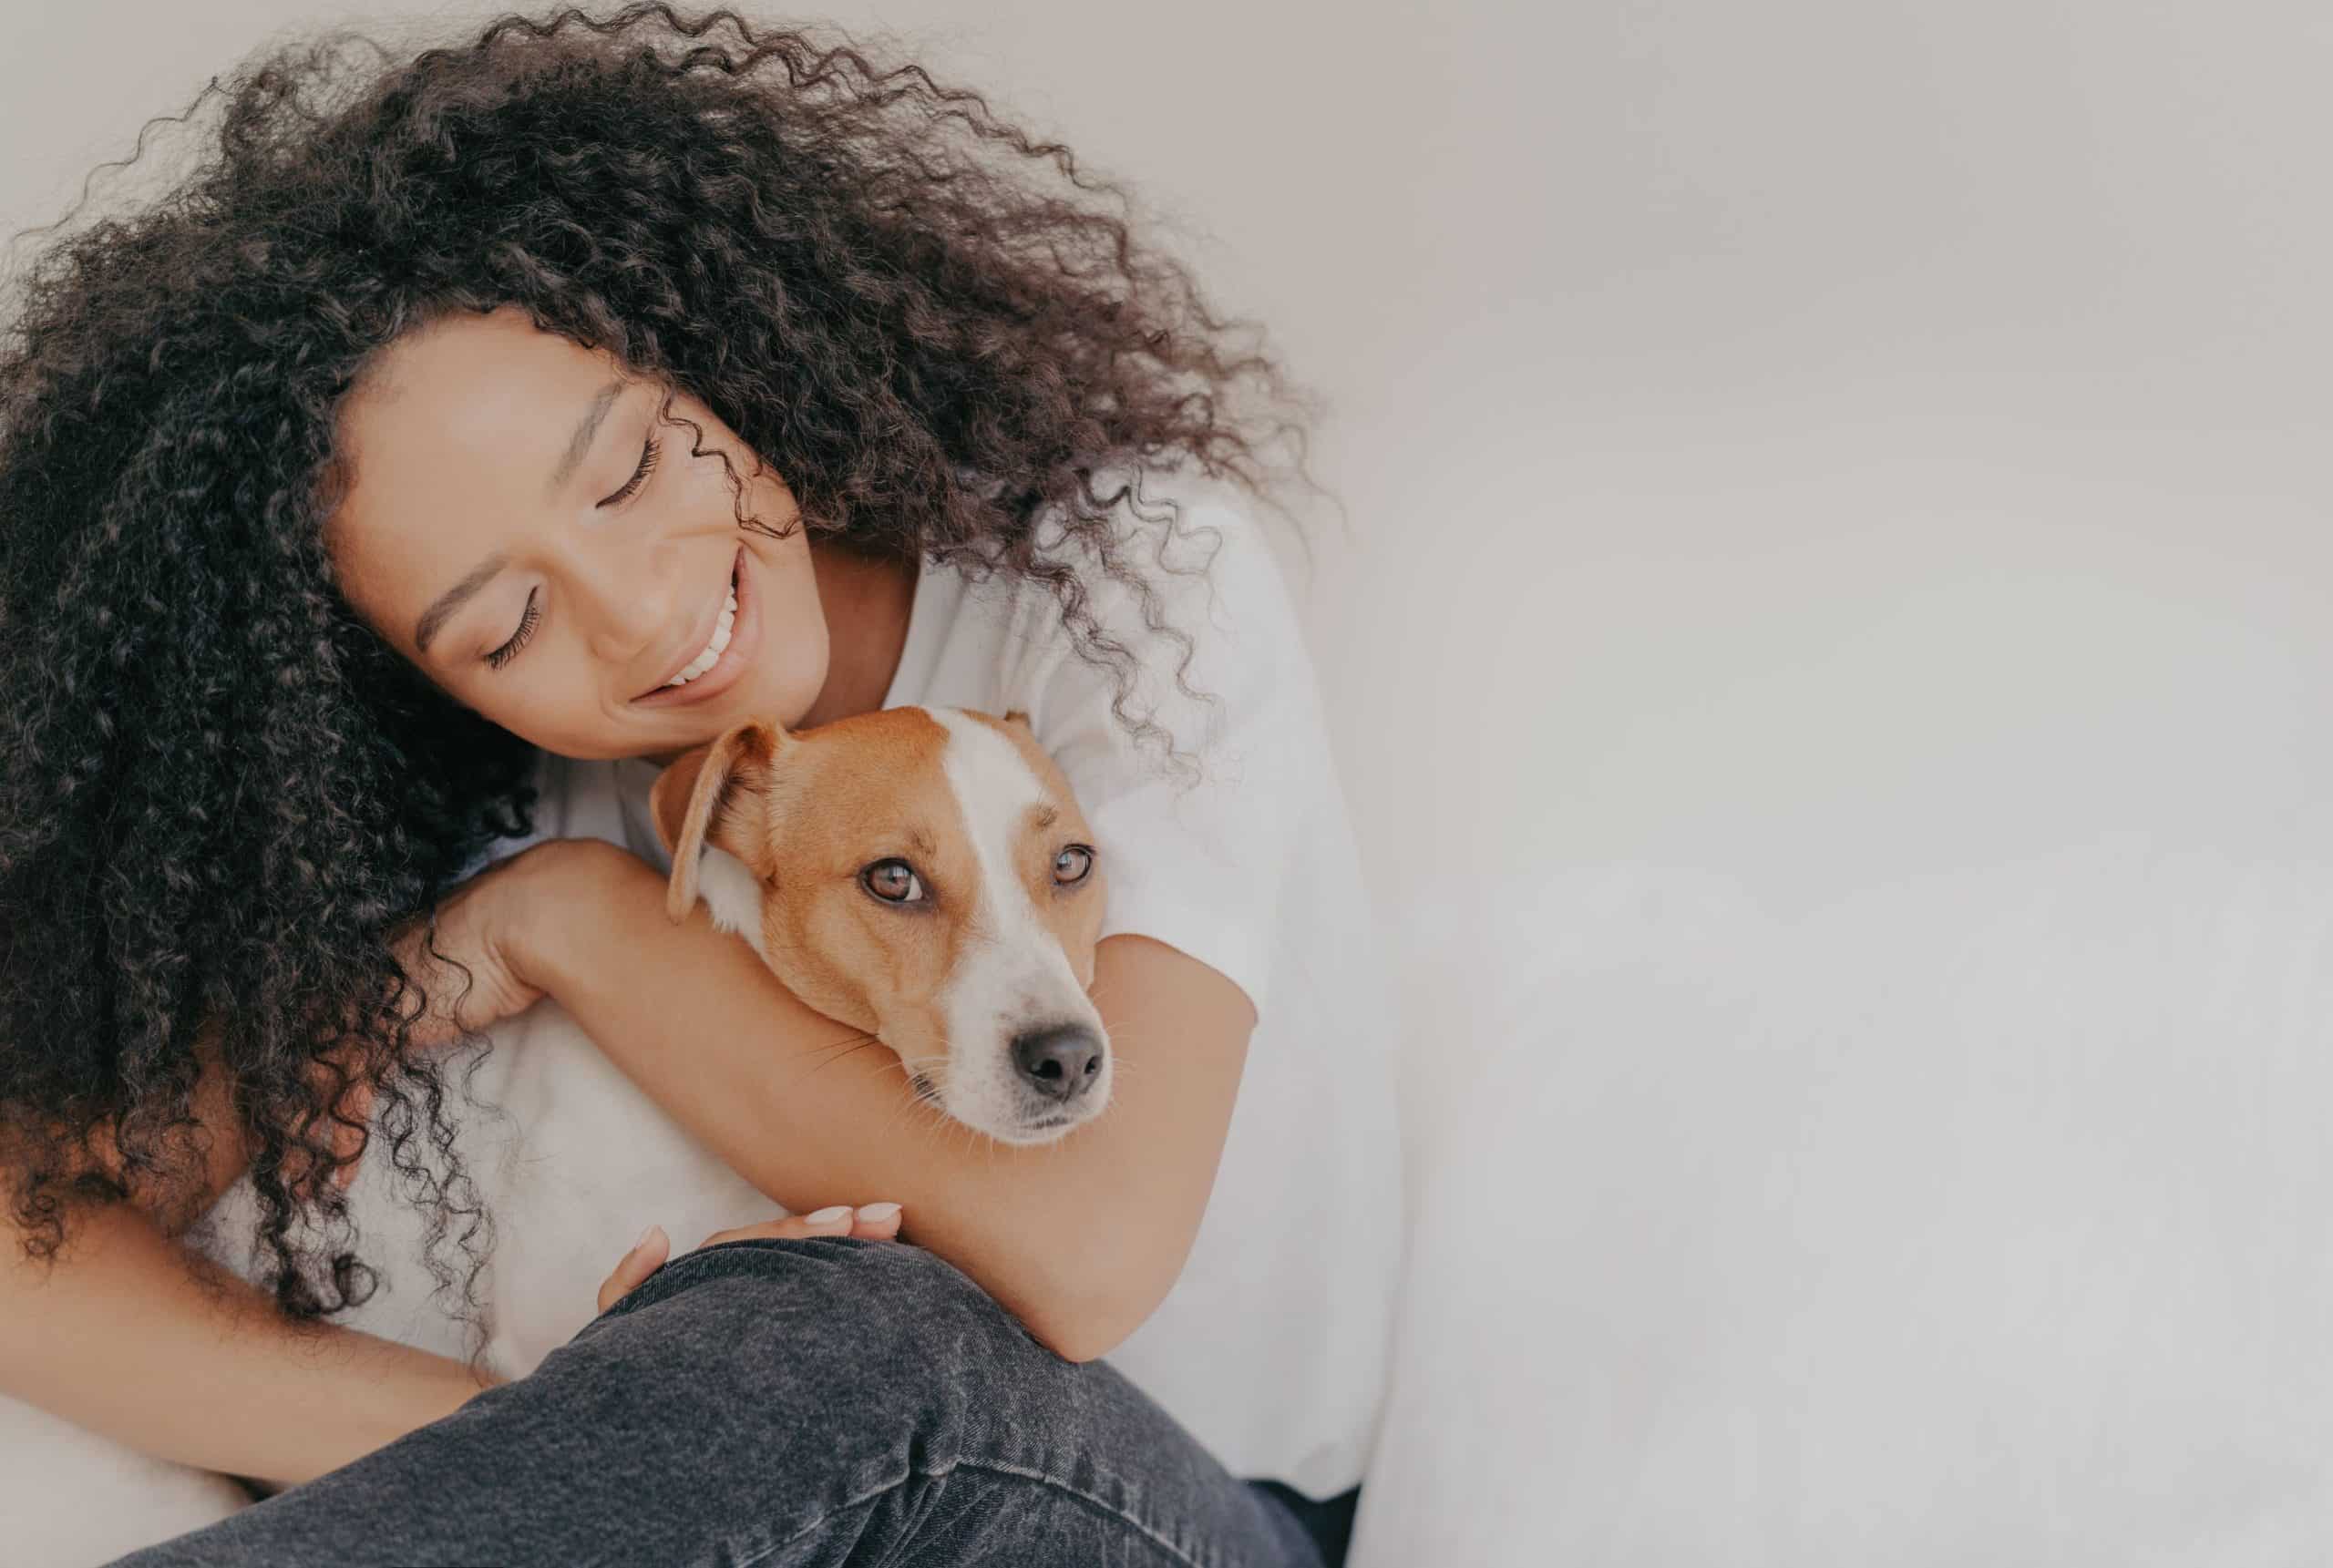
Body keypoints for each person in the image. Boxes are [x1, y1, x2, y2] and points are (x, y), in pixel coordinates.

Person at [0, 6, 1404, 1563]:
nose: (647, 611)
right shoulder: (501, 787)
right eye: (507, 622)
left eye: (627, 468)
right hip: (724, 1472)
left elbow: (1083, 1254)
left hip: (1199, 1513)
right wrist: (528, 1427)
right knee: (760, 1341)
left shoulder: (1122, 583)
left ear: (707, 350)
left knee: (843, 1334)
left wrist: (573, 920)